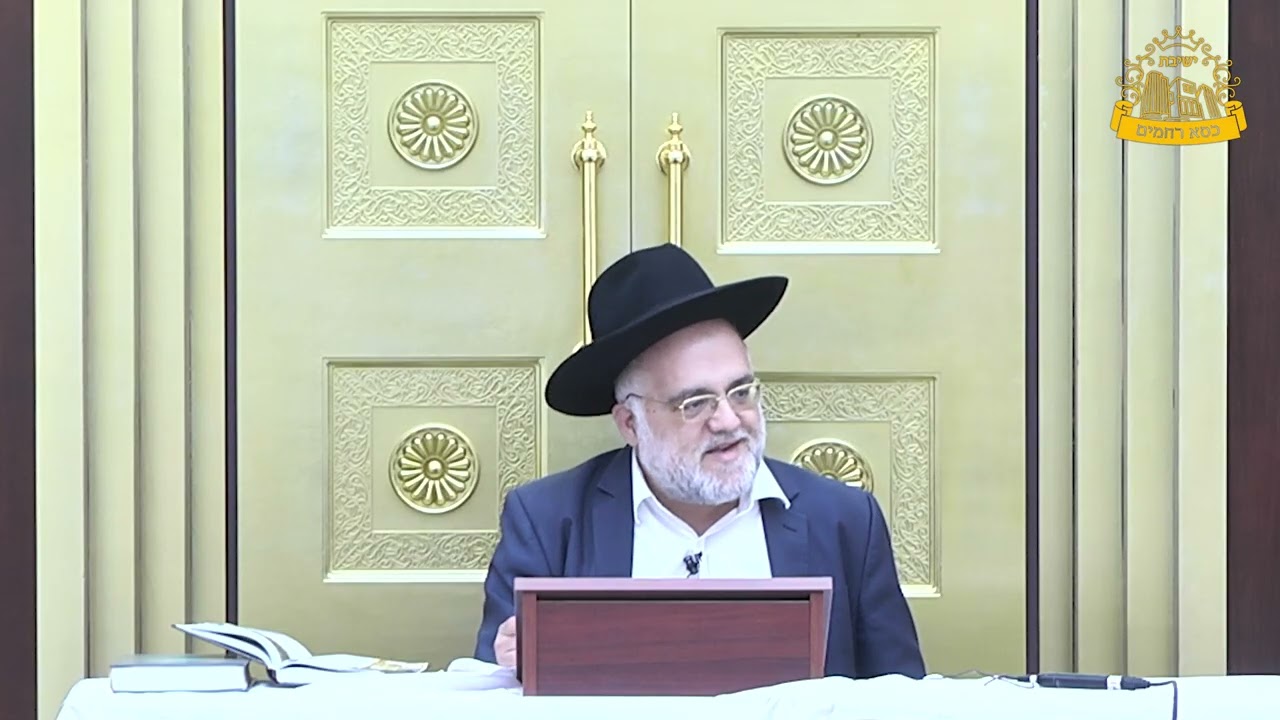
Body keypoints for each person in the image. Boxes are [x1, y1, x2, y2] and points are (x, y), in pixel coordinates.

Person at [473, 243, 926, 680]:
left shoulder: (846, 520)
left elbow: (902, 697)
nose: (728, 420)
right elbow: (493, 696)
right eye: (694, 403)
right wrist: (511, 670)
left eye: (741, 392)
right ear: (630, 423)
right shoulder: (547, 523)